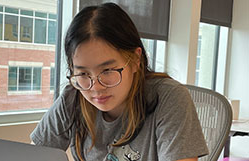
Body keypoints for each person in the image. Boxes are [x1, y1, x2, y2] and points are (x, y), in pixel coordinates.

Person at [30, 3, 209, 161]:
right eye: (83, 73)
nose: (96, 88)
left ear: (135, 60)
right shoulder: (73, 97)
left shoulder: (169, 98)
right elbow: (32, 154)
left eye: (107, 71)